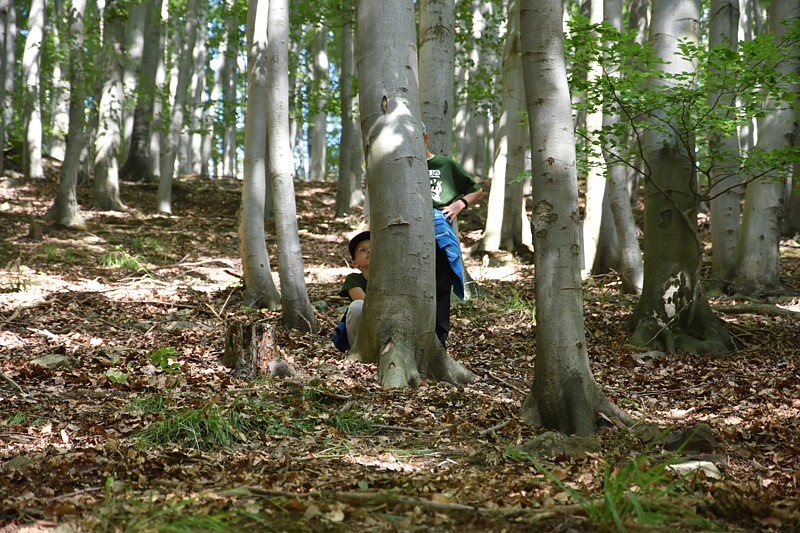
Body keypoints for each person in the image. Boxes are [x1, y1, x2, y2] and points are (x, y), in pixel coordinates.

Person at [424, 123, 483, 225]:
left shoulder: (445, 164)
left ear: (425, 137)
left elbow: (476, 190)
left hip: (439, 222)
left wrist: (460, 204)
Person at [331, 231, 370, 352]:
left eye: (373, 247)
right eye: (362, 250)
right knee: (357, 306)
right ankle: (359, 352)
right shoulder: (354, 279)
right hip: (365, 330)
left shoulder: (393, 277)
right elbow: (367, 305)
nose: (369, 251)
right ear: (355, 263)